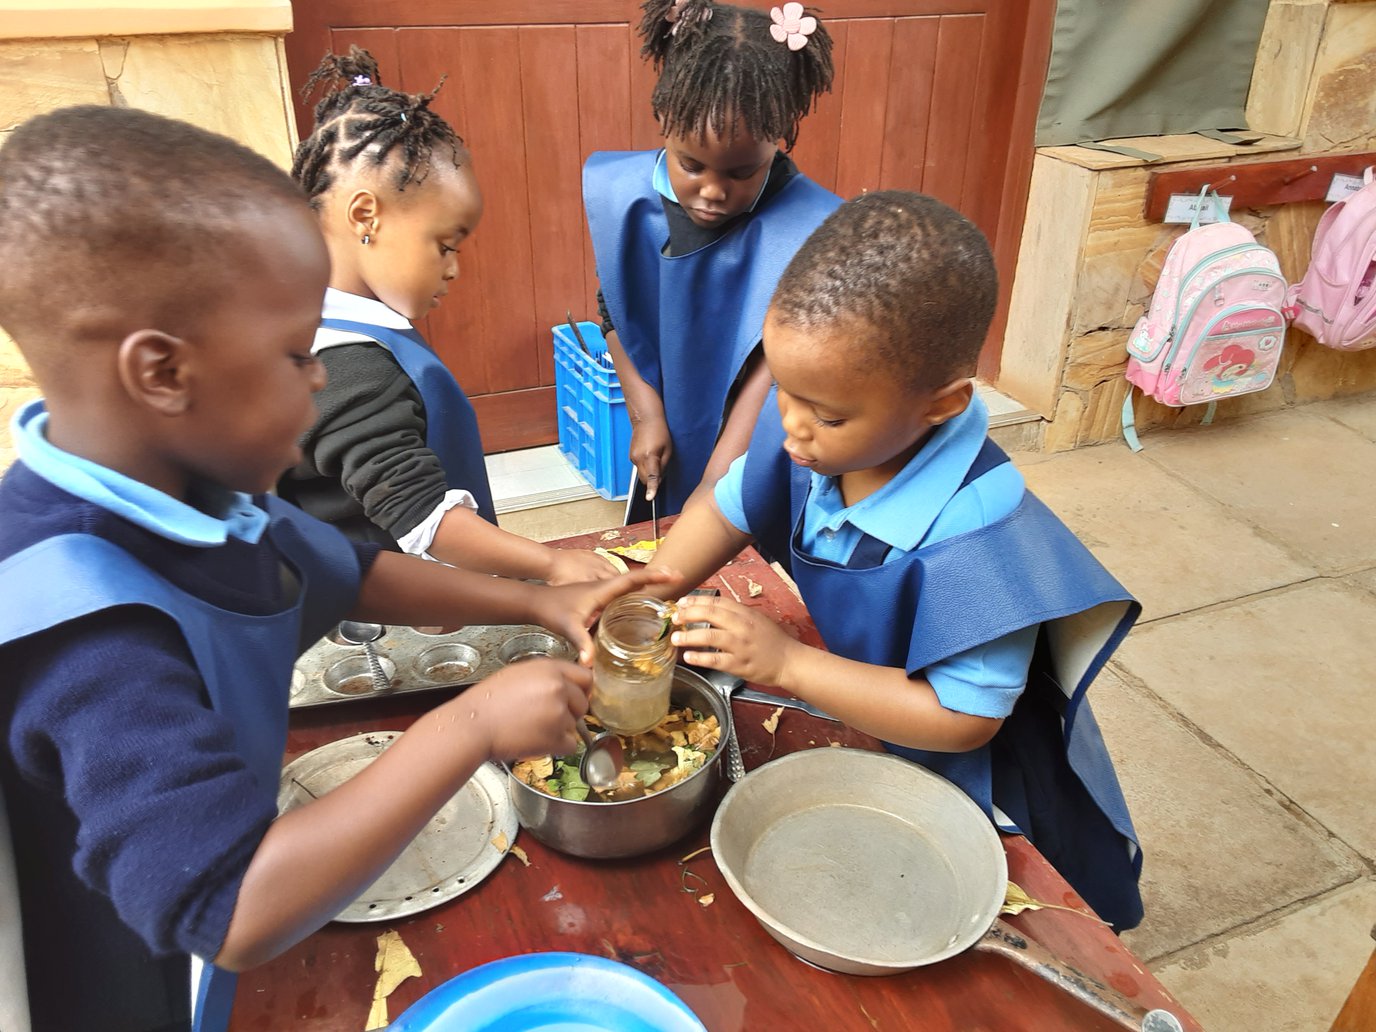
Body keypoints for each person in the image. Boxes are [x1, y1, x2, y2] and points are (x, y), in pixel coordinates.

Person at [0, 105, 664, 1032]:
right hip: (150, 980)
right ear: (161, 373)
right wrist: (471, 725)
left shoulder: (201, 493)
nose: (320, 380)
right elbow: (229, 910)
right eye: (295, 355)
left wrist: (550, 598)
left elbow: (354, 573)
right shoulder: (83, 624)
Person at [650, 192, 1146, 930]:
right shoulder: (816, 427)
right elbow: (729, 505)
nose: (792, 430)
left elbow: (964, 718)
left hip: (958, 778)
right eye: (783, 393)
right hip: (862, 710)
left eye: (828, 414)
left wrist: (785, 664)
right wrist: (653, 582)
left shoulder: (981, 532)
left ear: (940, 405)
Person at [279, 48, 615, 585]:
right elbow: (423, 517)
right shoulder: (345, 364)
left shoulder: (302, 311)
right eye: (445, 246)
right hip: (369, 620)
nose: (454, 270)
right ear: (366, 215)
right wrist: (551, 565)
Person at [585, 0, 841, 520]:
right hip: (672, 424)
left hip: (768, 439)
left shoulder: (811, 226)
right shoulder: (628, 198)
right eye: (690, 165)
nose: (711, 192)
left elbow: (777, 365)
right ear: (666, 123)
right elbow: (614, 308)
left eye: (742, 171)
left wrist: (722, 474)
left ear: (779, 135)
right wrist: (644, 413)